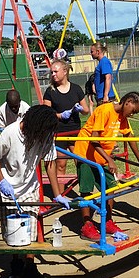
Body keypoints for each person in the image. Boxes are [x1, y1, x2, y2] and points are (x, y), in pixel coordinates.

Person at [0, 105, 70, 278]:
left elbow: (49, 163)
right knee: (12, 232)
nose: (46, 136)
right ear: (35, 125)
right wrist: (2, 181)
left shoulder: (45, 134)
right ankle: (16, 266)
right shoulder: (10, 133)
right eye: (43, 131)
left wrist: (57, 194)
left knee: (29, 232)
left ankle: (30, 268)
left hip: (29, 189)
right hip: (6, 190)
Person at [73, 91, 139, 241]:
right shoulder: (104, 110)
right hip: (86, 153)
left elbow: (129, 136)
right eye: (133, 111)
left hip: (101, 156)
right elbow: (94, 140)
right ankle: (87, 225)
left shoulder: (122, 117)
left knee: (112, 188)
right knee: (87, 190)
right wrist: (109, 159)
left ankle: (107, 221)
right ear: (128, 102)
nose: (132, 114)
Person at [43, 57, 89, 190]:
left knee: (81, 162)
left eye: (55, 72)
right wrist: (60, 115)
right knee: (61, 164)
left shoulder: (76, 89)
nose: (53, 74)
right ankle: (61, 195)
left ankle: (85, 191)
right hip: (59, 133)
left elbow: (86, 110)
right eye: (52, 72)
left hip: (75, 132)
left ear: (64, 72)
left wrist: (80, 109)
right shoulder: (50, 91)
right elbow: (46, 113)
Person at [91, 41, 115, 106]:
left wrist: (105, 95)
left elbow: (108, 78)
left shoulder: (104, 62)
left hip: (105, 98)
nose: (91, 54)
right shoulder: (101, 63)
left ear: (98, 51)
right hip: (101, 96)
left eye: (92, 52)